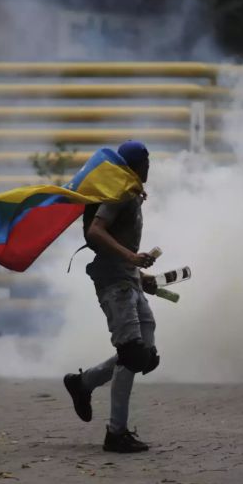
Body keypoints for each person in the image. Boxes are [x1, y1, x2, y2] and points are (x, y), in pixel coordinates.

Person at [62, 141, 162, 453]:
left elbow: (120, 245)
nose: (149, 168)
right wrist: (131, 259)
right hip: (113, 282)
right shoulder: (119, 192)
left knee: (145, 353)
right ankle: (116, 433)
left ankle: (83, 383)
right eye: (145, 161)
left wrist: (139, 274)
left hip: (128, 280)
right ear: (135, 164)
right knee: (133, 354)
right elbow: (95, 232)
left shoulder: (131, 192)